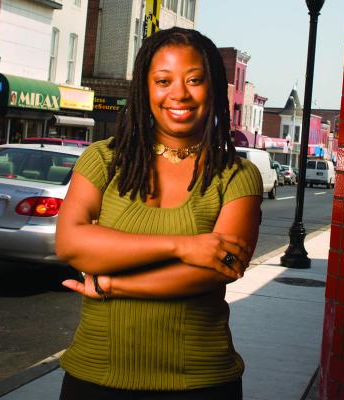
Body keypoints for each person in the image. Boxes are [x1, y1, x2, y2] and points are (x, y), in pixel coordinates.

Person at [55, 27, 263, 400]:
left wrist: (113, 283)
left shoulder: (236, 175)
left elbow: (215, 270)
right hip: (96, 375)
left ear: (214, 87)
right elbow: (71, 243)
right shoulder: (105, 160)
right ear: (145, 89)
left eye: (195, 80)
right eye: (163, 80)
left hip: (200, 380)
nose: (179, 94)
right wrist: (183, 247)